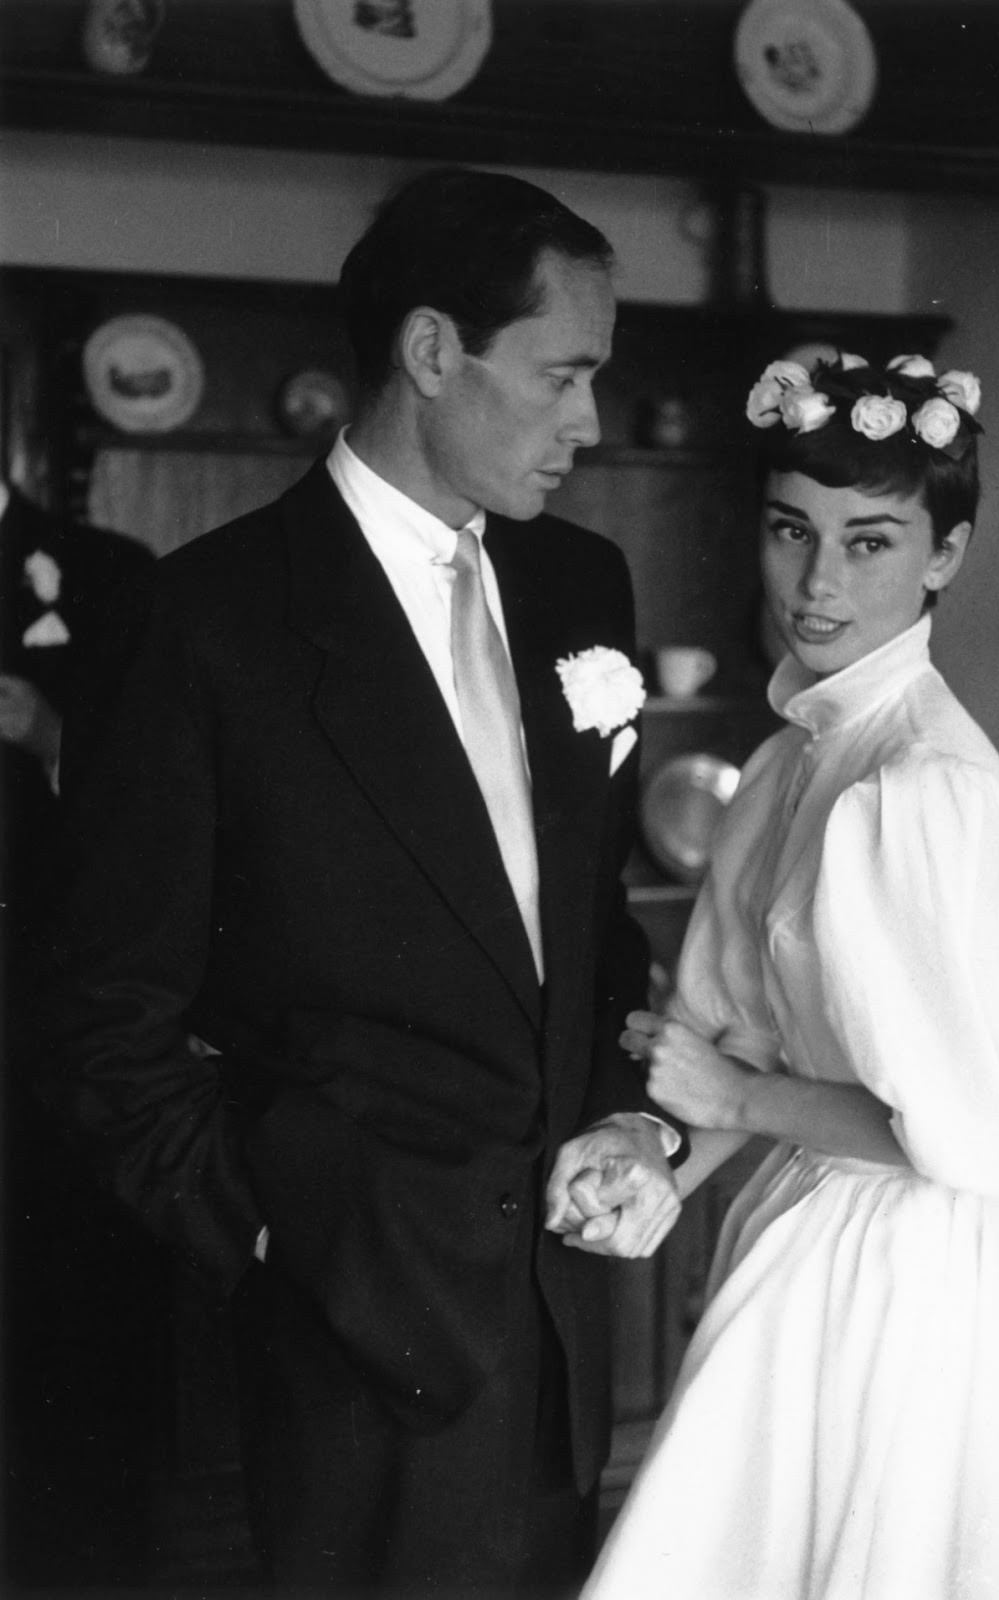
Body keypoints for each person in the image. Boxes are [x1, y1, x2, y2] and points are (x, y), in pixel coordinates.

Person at [28, 167, 686, 1597]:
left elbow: (587, 938)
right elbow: (102, 1022)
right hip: (350, 1347)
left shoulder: (581, 587)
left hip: (567, 1322)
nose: (585, 422)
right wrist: (279, 1240)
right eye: (560, 374)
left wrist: (629, 1122)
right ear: (433, 350)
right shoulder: (206, 622)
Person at [581, 352, 999, 1600]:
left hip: (927, 1271)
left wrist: (735, 1109)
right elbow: (736, 1041)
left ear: (945, 556)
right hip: (819, 1214)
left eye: (871, 542)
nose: (818, 581)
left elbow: (984, 1141)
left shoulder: (923, 789)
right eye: (795, 531)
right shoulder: (796, 761)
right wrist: (665, 1160)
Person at [0, 481, 165, 1587]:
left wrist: (43, 728)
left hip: (42, 1035)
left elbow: (162, 796)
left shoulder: (109, 576)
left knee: (63, 1321)